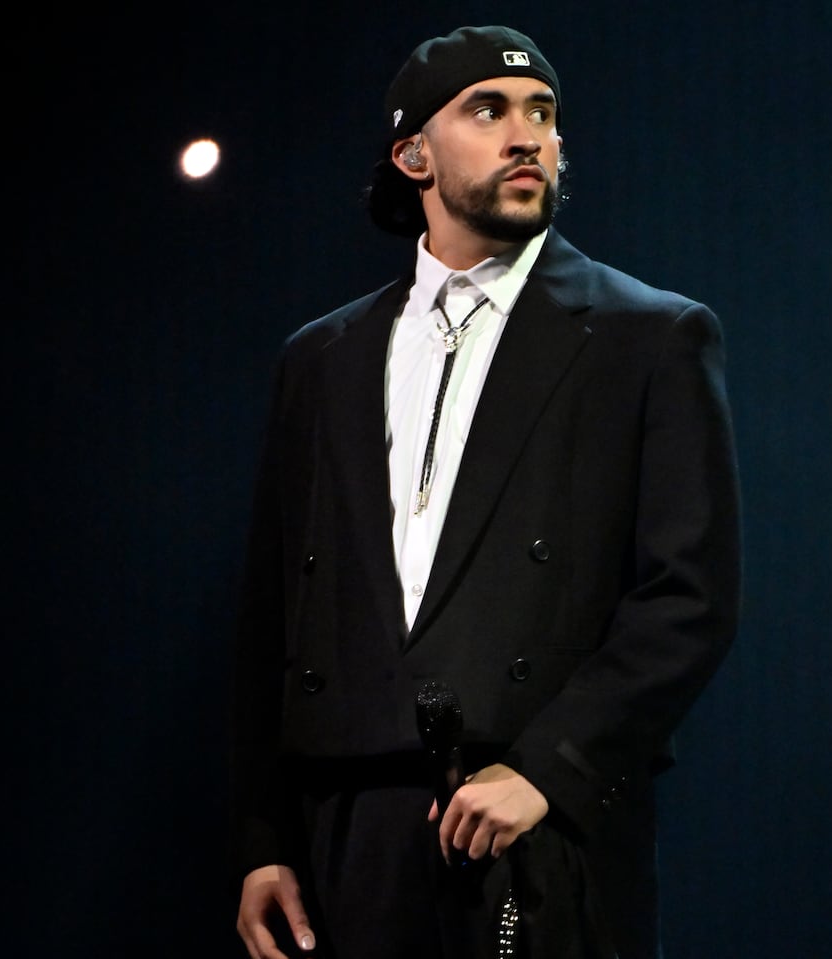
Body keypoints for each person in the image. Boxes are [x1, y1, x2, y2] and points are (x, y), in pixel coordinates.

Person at [230, 24, 741, 959]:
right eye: (489, 109)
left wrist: (551, 766)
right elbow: (275, 614)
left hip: (541, 819)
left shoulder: (649, 338)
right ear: (412, 154)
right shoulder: (322, 358)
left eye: (543, 113)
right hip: (351, 835)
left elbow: (688, 600)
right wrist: (266, 838)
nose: (527, 136)